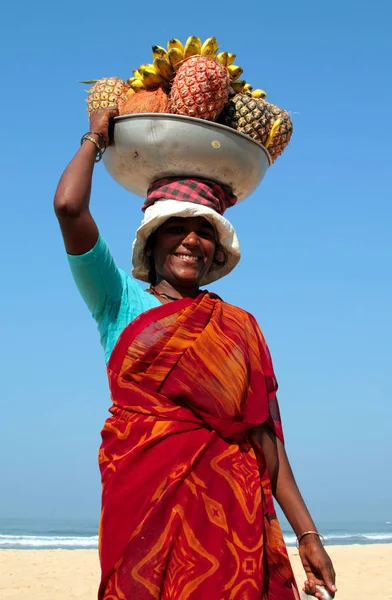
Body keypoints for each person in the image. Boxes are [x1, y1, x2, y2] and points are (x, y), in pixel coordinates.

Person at [54, 107, 337, 600]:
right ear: (152, 240)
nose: (190, 239)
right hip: (143, 504)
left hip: (230, 512)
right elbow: (69, 208)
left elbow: (265, 438)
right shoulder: (117, 299)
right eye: (176, 226)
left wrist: (307, 534)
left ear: (217, 249)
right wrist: (96, 138)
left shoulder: (240, 328)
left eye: (204, 231)